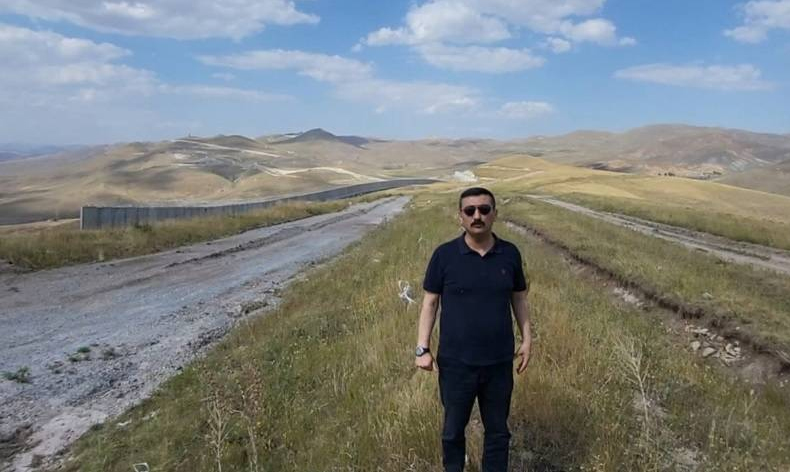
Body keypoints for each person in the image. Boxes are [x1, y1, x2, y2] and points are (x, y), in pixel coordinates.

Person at [415, 187, 532, 472]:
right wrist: (422, 349)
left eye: (484, 209)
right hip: (456, 364)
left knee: (498, 432)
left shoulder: (510, 254)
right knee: (453, 432)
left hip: (499, 363)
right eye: (470, 211)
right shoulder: (444, 255)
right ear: (461, 216)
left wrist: (527, 339)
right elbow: (430, 302)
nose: (477, 216)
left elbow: (519, 298)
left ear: (494, 214)